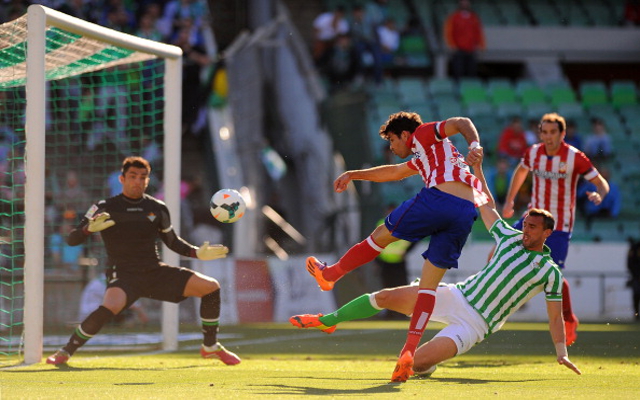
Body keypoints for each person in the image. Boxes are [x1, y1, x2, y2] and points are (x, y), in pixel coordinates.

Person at [291, 155, 581, 380]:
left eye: (532, 228)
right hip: (457, 295)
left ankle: (426, 366)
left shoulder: (550, 272)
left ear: (547, 234)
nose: (525, 230)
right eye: (526, 224)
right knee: (385, 297)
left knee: (414, 364)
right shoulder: (509, 237)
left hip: (475, 325)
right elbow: (485, 203)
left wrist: (561, 353)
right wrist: (477, 169)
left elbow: (555, 318)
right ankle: (328, 320)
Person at [305, 112, 486, 382]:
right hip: (465, 212)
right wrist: (354, 174)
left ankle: (330, 275)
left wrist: (475, 145)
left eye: (392, 140)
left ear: (405, 134)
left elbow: (461, 122)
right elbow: (395, 172)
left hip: (440, 199)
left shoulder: (423, 134)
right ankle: (409, 352)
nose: (391, 147)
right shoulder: (431, 154)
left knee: (379, 236)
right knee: (428, 288)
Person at [46, 156, 241, 366]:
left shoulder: (157, 208)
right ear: (122, 179)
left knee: (211, 287)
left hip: (154, 271)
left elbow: (172, 241)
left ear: (147, 181)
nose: (138, 181)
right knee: (110, 306)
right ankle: (65, 351)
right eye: (132, 176)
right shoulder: (103, 207)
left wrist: (196, 253)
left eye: (143, 177)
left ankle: (210, 346)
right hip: (123, 274)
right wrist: (87, 229)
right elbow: (72, 239)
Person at [502, 112, 610, 347]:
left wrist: (598, 194)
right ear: (540, 133)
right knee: (499, 251)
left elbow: (602, 183)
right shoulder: (533, 153)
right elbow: (521, 171)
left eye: (553, 132)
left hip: (559, 225)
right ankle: (493, 303)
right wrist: (510, 201)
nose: (548, 137)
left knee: (553, 276)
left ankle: (569, 317)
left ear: (562, 134)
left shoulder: (575, 157)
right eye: (545, 132)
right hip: (531, 218)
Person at [443, 0, 485, 79]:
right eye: (463, 2)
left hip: (471, 49)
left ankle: (470, 90)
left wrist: (481, 45)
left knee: (471, 72)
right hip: (459, 50)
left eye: (466, 2)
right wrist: (451, 45)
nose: (465, 4)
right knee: (458, 72)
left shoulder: (474, 18)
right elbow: (448, 32)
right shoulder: (453, 17)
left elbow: (478, 32)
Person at [627, 238, 640, 321]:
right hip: (637, 277)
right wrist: (636, 275)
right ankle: (636, 314)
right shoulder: (635, 247)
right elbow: (630, 263)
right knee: (636, 295)